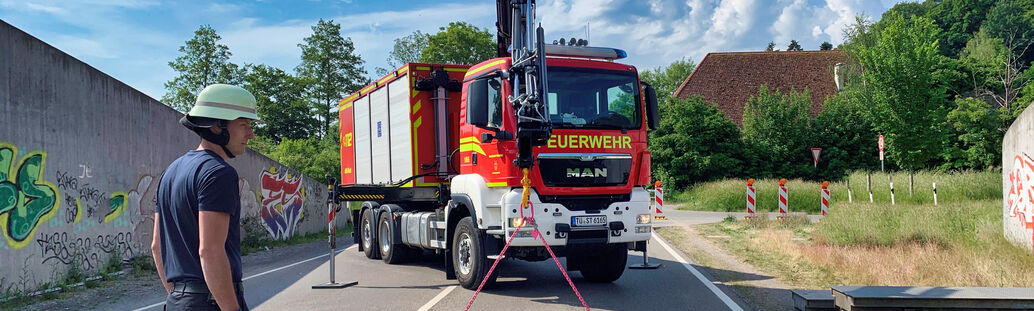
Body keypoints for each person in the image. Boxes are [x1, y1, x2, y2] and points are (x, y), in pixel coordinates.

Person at [151, 84, 259, 310]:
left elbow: (156, 247)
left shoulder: (170, 172)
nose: (250, 134)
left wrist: (178, 296)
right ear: (218, 127)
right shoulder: (218, 173)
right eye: (244, 125)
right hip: (210, 303)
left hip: (177, 302)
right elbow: (209, 251)